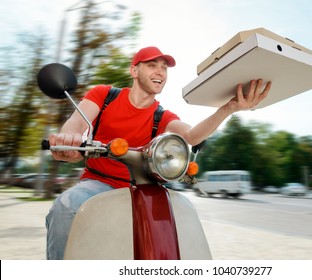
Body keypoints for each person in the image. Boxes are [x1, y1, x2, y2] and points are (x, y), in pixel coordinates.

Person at [45, 46, 271, 259]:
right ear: (134, 70)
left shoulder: (161, 115)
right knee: (67, 205)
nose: (160, 72)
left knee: (180, 224)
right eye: (152, 65)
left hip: (144, 188)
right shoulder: (104, 96)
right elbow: (75, 125)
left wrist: (228, 108)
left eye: (164, 68)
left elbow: (191, 136)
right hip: (99, 182)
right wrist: (70, 140)